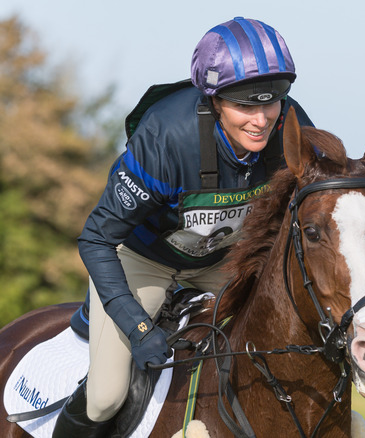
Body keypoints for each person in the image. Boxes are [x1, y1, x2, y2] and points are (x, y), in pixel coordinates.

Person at [52, 17, 314, 437]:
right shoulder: (166, 136)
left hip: (221, 261)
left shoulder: (292, 126)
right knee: (105, 397)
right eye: (245, 105)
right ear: (213, 100)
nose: (262, 119)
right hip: (143, 260)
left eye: (272, 101)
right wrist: (137, 328)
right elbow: (96, 239)